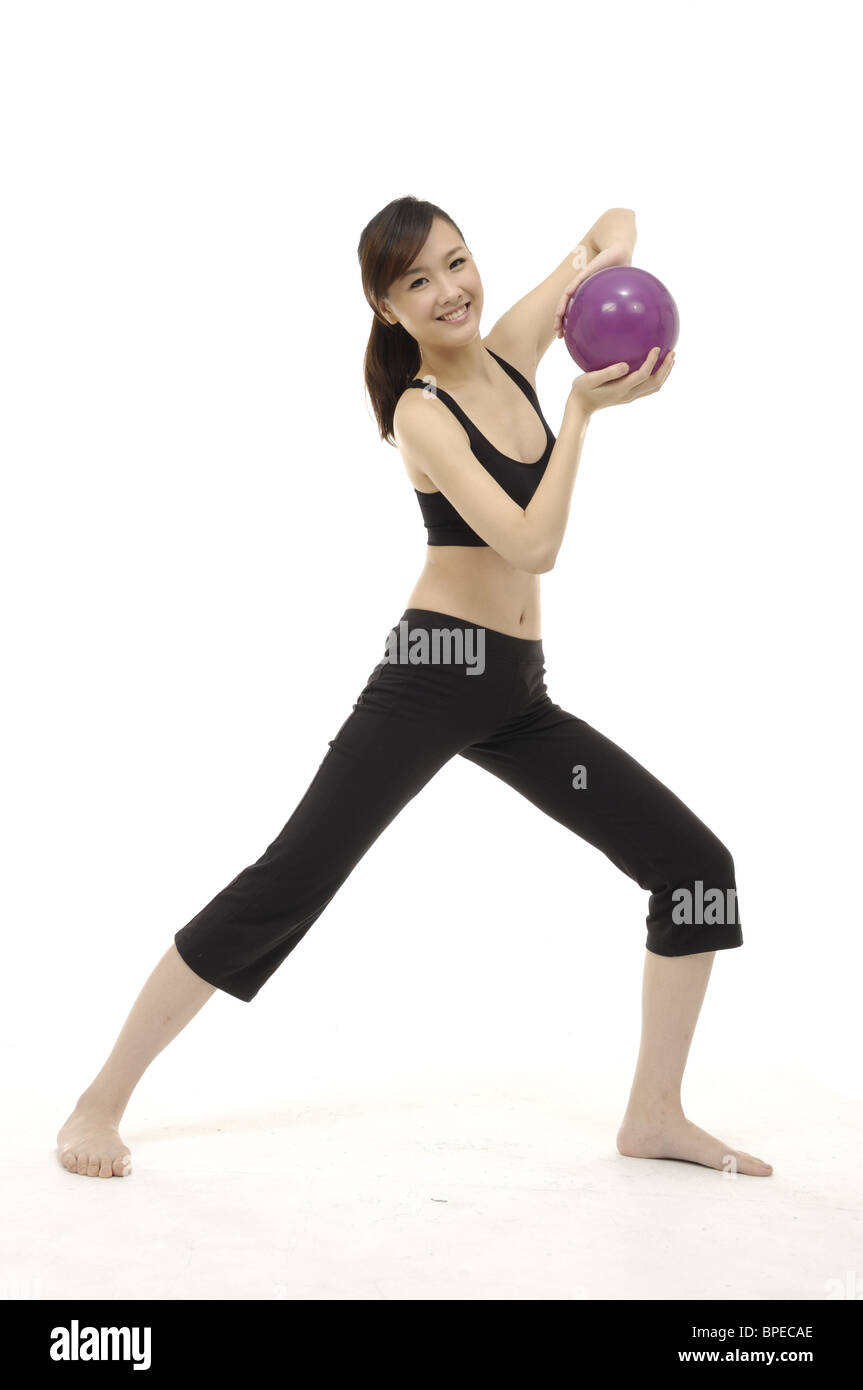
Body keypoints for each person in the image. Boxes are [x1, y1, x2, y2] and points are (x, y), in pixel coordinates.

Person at [57, 197, 772, 1179]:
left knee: (693, 868)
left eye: (457, 262)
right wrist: (578, 411)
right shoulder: (420, 413)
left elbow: (616, 222)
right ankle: (96, 1104)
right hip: (436, 674)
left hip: (515, 694)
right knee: (290, 879)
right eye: (418, 283)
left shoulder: (518, 343)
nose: (449, 291)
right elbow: (532, 543)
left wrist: (594, 264)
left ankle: (653, 1113)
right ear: (388, 310)